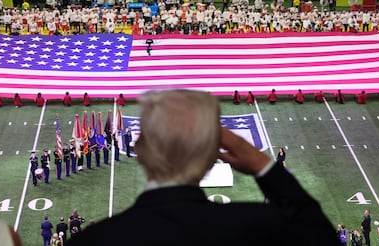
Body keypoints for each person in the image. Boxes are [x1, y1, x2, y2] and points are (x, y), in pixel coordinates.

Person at [66, 89, 339, 245]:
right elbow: (318, 235)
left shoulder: (95, 240)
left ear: (141, 150)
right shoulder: (260, 225)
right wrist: (262, 164)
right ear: (213, 156)